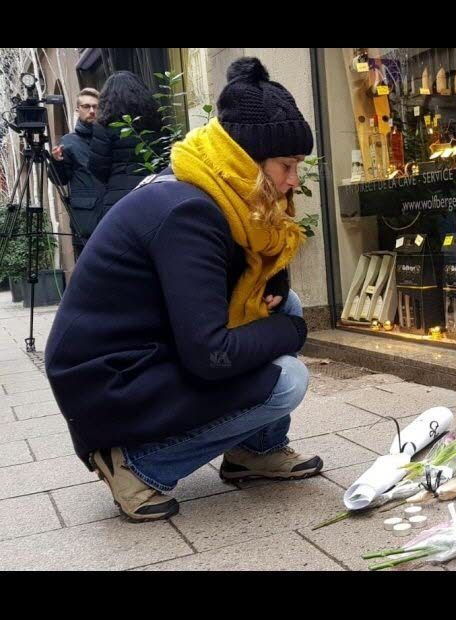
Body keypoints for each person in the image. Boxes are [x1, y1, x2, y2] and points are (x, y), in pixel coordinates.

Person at [45, 57, 321, 522]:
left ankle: (253, 451)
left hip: (149, 348)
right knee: (288, 379)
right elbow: (210, 354)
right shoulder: (187, 213)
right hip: (108, 377)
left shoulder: (217, 188)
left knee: (281, 303)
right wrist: (293, 332)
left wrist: (273, 281)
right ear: (245, 159)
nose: (293, 180)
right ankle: (136, 466)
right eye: (286, 165)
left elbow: (246, 269)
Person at [87, 71, 162, 220]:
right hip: (156, 191)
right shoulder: (156, 121)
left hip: (119, 199)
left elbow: (98, 167)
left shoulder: (104, 127)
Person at [51, 87, 105, 257]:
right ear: (77, 110)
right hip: (84, 222)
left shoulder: (108, 137)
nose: (91, 111)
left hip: (111, 216)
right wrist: (57, 162)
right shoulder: (68, 142)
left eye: (95, 107)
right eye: (87, 106)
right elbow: (60, 180)